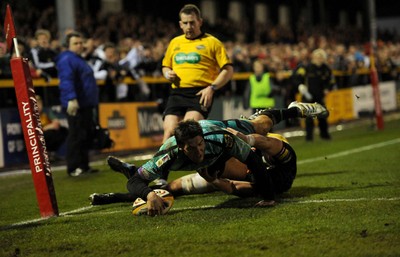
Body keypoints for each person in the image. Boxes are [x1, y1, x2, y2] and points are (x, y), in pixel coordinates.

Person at [89, 102, 329, 215]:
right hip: (211, 158)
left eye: (200, 146)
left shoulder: (220, 140)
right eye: (193, 149)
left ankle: (295, 110)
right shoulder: (169, 152)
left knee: (260, 125)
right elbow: (136, 182)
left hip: (220, 132)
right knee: (163, 186)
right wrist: (149, 194)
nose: (198, 151)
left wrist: (267, 197)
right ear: (182, 147)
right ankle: (115, 196)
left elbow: (252, 164)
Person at [161, 4, 234, 142]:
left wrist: (212, 88)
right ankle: (161, 163)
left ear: (200, 21)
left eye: (192, 22)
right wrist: (167, 73)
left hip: (200, 94)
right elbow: (165, 66)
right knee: (169, 132)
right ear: (180, 24)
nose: (189, 26)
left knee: (186, 133)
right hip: (177, 93)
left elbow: (228, 69)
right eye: (185, 23)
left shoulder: (212, 42)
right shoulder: (175, 42)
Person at [55, 31, 99, 177]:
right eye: (76, 43)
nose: (80, 45)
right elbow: (67, 80)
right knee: (76, 135)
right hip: (77, 104)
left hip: (85, 104)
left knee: (84, 135)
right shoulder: (67, 59)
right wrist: (71, 99)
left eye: (81, 42)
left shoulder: (77, 59)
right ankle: (73, 167)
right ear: (67, 45)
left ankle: (84, 165)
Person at [292, 48, 335, 141]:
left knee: (322, 116)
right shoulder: (306, 67)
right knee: (308, 118)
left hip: (320, 96)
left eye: (321, 57)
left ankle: (325, 135)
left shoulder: (326, 69)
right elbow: (295, 77)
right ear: (313, 57)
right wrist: (300, 85)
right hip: (308, 96)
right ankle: (309, 138)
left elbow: (331, 81)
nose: (319, 59)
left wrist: (328, 89)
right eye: (317, 57)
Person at [36, 95, 68, 160]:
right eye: (36, 103)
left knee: (63, 131)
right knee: (44, 135)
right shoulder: (30, 115)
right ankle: (43, 154)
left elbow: (56, 123)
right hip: (38, 136)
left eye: (39, 103)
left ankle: (52, 153)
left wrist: (45, 128)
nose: (38, 106)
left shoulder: (46, 111)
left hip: (46, 132)